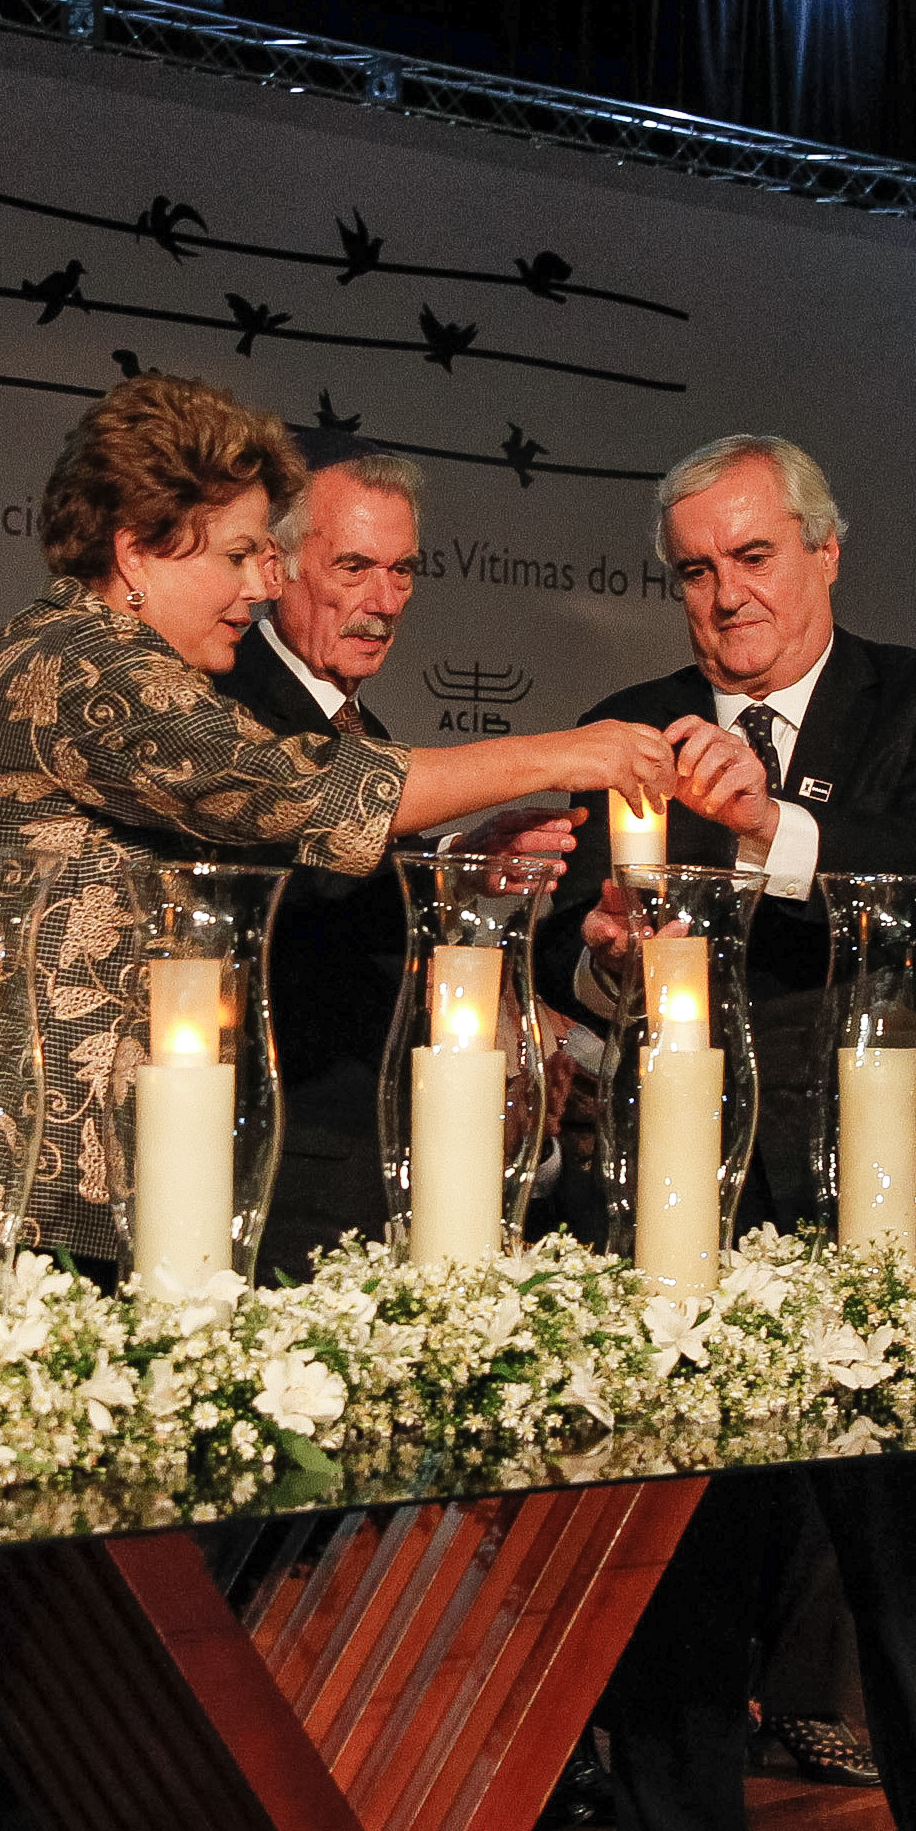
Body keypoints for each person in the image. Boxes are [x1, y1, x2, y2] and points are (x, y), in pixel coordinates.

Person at [533, 433, 916, 1831]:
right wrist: (608, 957)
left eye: (751, 556)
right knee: (678, 1622)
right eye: (692, 569)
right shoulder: (635, 725)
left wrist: (765, 826)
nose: (723, 596)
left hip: (888, 1232)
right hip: (690, 1234)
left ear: (823, 555)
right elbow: (580, 953)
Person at [0, 368, 666, 1263]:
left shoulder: (93, 650)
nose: (260, 587)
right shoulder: (87, 664)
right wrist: (569, 751)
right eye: (234, 556)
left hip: (74, 1167)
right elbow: (296, 787)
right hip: (10, 1173)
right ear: (136, 552)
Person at [218, 451, 564, 1274]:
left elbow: (355, 867)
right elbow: (296, 869)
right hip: (274, 1151)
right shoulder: (229, 704)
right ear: (280, 564)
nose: (383, 602)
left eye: (402, 571)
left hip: (370, 1158)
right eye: (355, 567)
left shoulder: (359, 724)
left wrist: (456, 864)